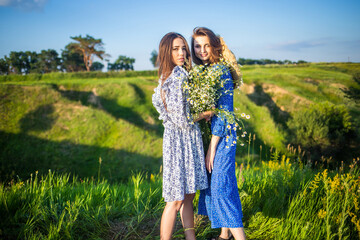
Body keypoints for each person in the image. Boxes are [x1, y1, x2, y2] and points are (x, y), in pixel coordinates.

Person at [152, 32, 213, 240]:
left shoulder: (172, 75)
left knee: (188, 196)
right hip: (179, 141)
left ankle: (191, 238)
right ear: (166, 51)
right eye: (176, 49)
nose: (181, 53)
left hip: (183, 140)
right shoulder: (176, 77)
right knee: (176, 199)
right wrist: (205, 113)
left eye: (183, 48)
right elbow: (181, 119)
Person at [192, 27, 246, 240]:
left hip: (222, 138)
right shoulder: (202, 71)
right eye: (197, 46)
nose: (202, 50)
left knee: (221, 188)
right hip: (209, 136)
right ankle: (225, 235)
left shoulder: (221, 71)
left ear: (214, 46)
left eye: (206, 45)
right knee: (219, 185)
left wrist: (212, 148)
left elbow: (224, 112)